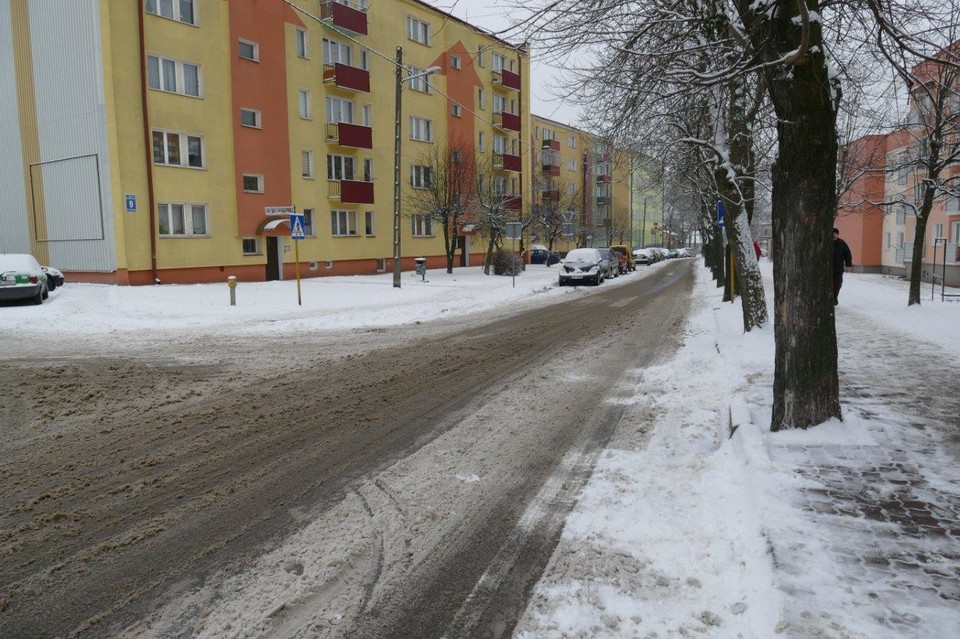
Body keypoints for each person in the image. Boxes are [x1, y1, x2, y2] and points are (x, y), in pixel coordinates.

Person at [832, 227, 853, 305]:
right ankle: (831, 298)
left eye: (835, 233)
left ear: (837, 234)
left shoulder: (841, 243)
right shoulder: (826, 243)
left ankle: (834, 297)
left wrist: (848, 265)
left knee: (838, 284)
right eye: (832, 233)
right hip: (827, 270)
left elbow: (847, 254)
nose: (834, 235)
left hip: (838, 269)